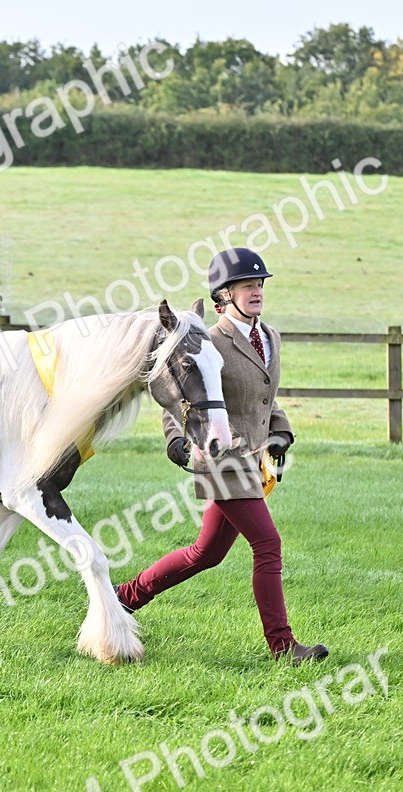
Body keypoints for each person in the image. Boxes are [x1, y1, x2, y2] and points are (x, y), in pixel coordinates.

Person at [116, 248, 328, 664]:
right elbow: (177, 396)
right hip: (222, 459)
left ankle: (122, 597)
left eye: (260, 284)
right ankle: (284, 647)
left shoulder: (270, 338)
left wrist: (280, 435)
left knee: (205, 554)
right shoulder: (208, 341)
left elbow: (267, 399)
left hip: (254, 463)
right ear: (222, 297)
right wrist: (175, 438)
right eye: (247, 286)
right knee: (268, 545)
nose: (257, 291)